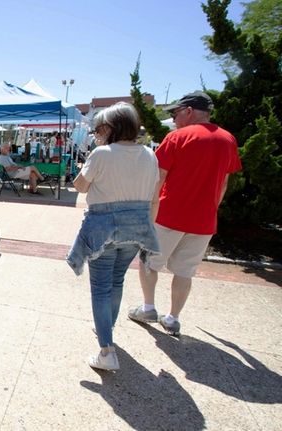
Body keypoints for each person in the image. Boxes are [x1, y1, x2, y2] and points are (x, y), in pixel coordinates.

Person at [128, 91, 242, 336]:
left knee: (149, 262)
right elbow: (223, 183)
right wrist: (211, 209)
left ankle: (148, 307)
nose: (174, 118)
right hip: (203, 220)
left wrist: (147, 212)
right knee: (185, 271)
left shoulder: (177, 137)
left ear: (188, 111)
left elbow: (157, 178)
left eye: (175, 112)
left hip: (168, 214)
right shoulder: (228, 139)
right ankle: (172, 318)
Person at [67, 102, 160, 371]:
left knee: (100, 288)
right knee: (116, 282)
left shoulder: (102, 154)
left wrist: (85, 167)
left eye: (98, 128)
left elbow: (80, 187)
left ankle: (106, 351)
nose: (96, 133)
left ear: (110, 128)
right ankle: (107, 331)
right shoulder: (149, 155)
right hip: (137, 229)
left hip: (103, 228)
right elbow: (152, 193)